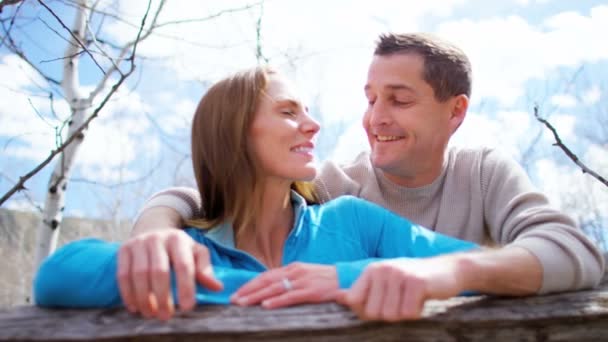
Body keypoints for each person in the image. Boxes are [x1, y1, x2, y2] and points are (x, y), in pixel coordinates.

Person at [125, 32, 606, 321]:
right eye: (371, 99)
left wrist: (442, 273)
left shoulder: (484, 172)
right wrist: (155, 227)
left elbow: (576, 254)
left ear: (455, 112)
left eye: (398, 100)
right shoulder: (338, 188)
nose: (375, 118)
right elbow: (232, 193)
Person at [33, 66, 479, 322]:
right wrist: (292, 291)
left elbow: (479, 264)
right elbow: (58, 276)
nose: (312, 125)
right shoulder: (189, 250)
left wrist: (352, 277)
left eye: (307, 111)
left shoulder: (353, 220)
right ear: (234, 134)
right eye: (288, 112)